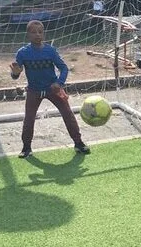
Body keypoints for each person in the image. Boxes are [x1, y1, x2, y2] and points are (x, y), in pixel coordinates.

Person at [10, 19, 89, 159]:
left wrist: (59, 83)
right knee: (29, 118)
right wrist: (15, 73)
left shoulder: (50, 51)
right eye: (34, 32)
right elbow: (15, 74)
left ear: (44, 34)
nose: (37, 35)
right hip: (34, 90)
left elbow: (64, 68)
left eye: (40, 32)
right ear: (28, 34)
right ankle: (26, 147)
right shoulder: (22, 53)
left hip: (53, 89)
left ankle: (78, 143)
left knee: (68, 114)